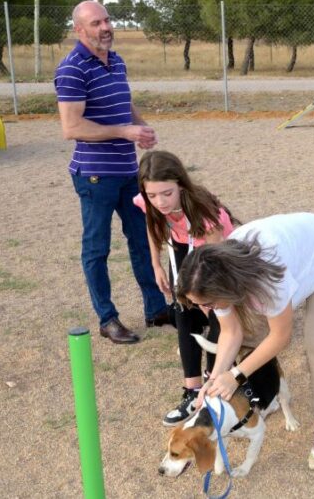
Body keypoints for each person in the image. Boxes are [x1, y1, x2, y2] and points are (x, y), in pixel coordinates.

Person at [176, 213, 314, 471]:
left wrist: (236, 374)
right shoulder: (214, 274)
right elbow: (231, 332)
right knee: (251, 334)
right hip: (298, 262)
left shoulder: (266, 280)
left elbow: (281, 336)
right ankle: (270, 395)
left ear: (224, 289)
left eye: (207, 304)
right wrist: (214, 380)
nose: (206, 309)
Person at [55, 0, 171, 344]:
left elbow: (124, 102)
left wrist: (140, 125)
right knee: (97, 248)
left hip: (127, 172)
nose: (105, 27)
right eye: (95, 23)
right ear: (79, 30)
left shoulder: (116, 60)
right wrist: (124, 132)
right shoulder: (72, 68)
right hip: (95, 177)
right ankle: (108, 319)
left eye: (106, 20)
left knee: (142, 239)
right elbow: (71, 127)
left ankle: (156, 309)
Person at [134, 150, 243, 426]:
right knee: (183, 313)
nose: (160, 201)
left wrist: (208, 299)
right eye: (153, 195)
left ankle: (212, 389)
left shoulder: (205, 212)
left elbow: (219, 255)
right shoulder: (152, 203)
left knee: (217, 321)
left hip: (213, 254)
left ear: (181, 184)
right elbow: (152, 225)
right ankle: (192, 390)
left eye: (167, 193)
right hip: (181, 244)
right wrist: (157, 266)